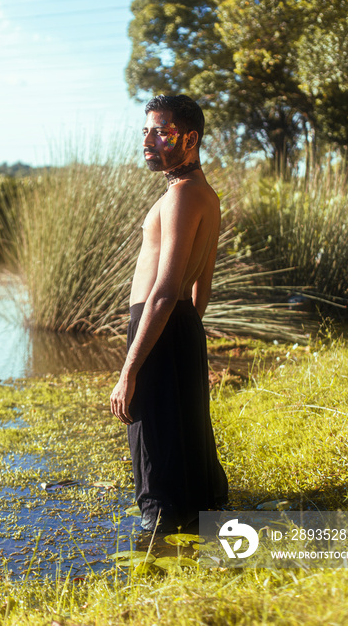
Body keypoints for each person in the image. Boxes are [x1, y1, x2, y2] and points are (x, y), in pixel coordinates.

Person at [110, 94, 228, 532]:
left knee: (155, 451)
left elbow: (164, 289)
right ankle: (199, 523)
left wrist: (129, 370)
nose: (149, 140)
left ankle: (159, 540)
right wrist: (186, 332)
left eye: (161, 131)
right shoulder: (205, 194)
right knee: (185, 437)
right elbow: (202, 286)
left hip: (158, 322)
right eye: (146, 131)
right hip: (178, 325)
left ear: (190, 138)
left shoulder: (181, 197)